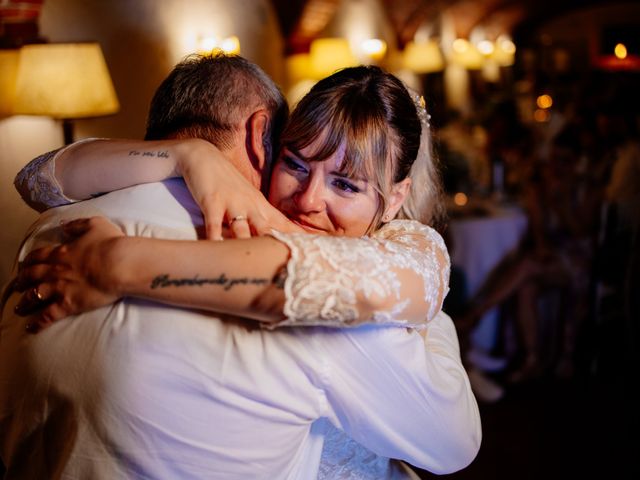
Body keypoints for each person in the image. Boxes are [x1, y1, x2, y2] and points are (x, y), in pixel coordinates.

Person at [3, 55, 480, 478]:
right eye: (294, 164)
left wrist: (124, 250)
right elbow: (454, 442)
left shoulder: (57, 225)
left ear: (396, 198)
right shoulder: (331, 319)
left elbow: (37, 179)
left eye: (346, 185)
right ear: (261, 139)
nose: (310, 200)